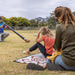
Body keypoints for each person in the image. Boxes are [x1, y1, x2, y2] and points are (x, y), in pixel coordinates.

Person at [26, 6, 75, 71]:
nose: (57, 20)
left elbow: (56, 47)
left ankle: (44, 65)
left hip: (69, 63)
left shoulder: (60, 27)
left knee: (52, 57)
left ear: (60, 17)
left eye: (56, 18)